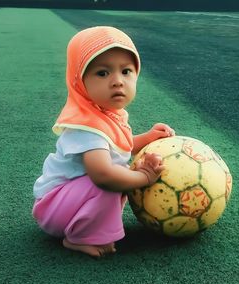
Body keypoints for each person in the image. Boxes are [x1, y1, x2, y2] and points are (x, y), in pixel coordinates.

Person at [32, 26, 175, 258]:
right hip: (54, 209)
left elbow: (117, 148)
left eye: (126, 71)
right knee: (113, 179)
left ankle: (88, 225)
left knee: (119, 172)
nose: (118, 81)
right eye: (102, 73)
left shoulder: (107, 115)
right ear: (80, 81)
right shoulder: (86, 125)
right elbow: (102, 175)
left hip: (71, 202)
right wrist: (145, 178)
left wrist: (146, 138)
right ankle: (78, 238)